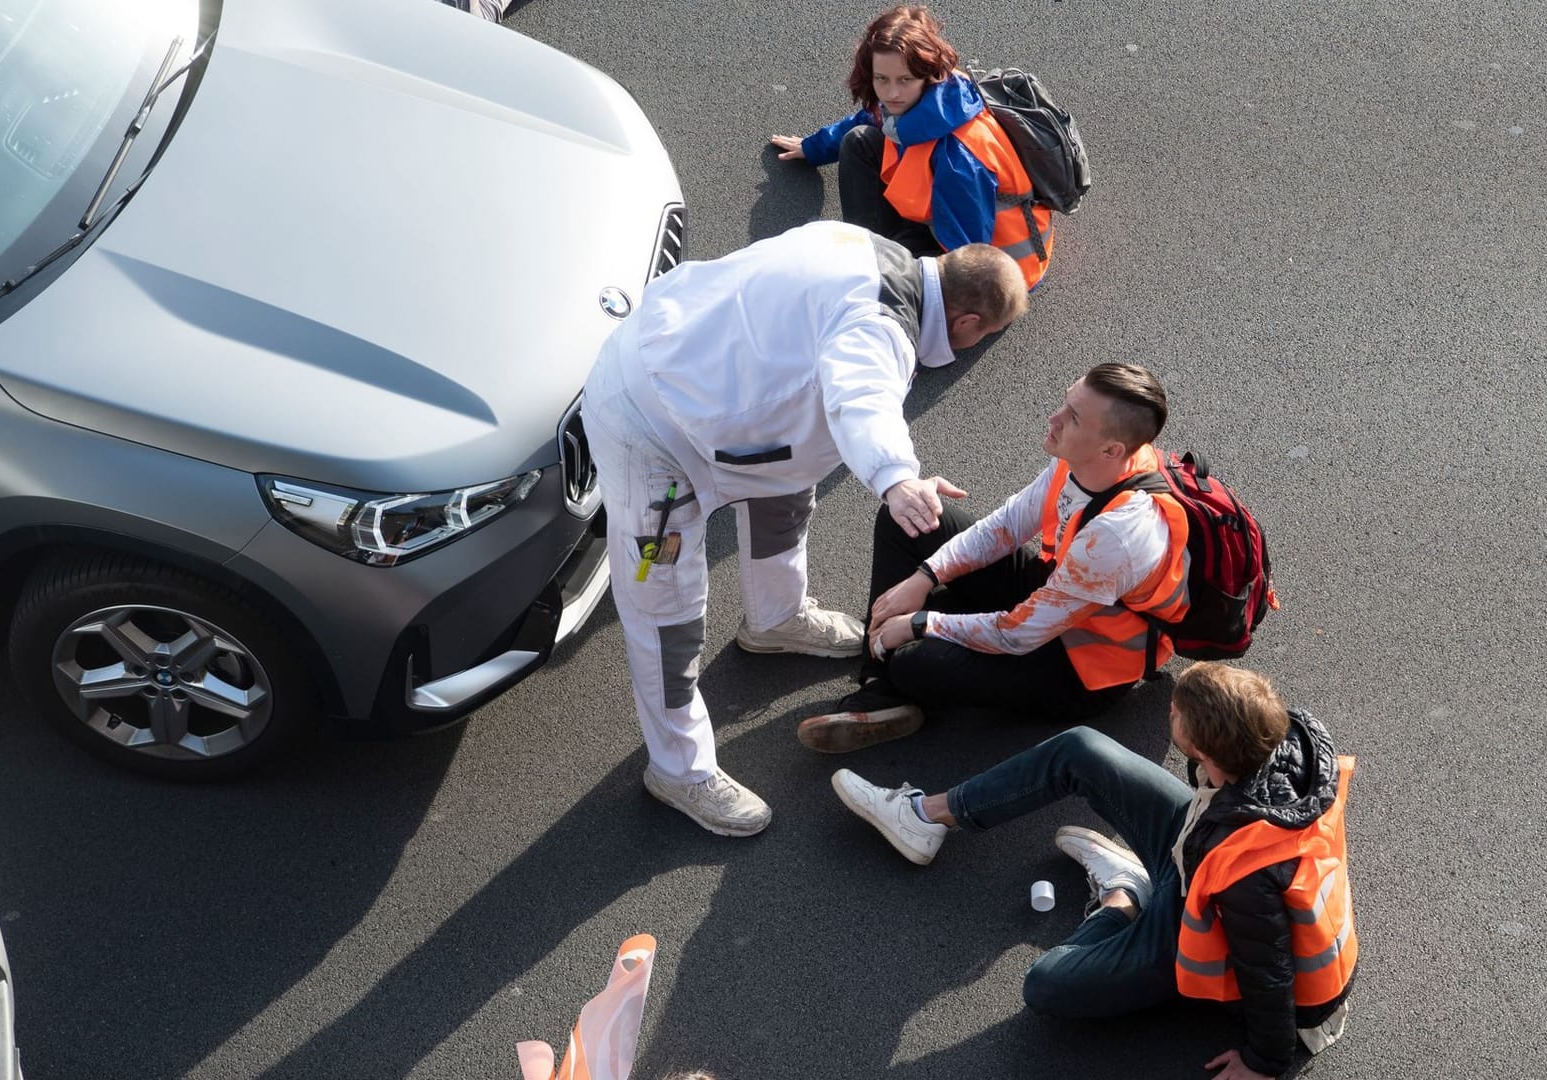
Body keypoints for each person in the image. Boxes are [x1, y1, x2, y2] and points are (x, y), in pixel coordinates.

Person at [582, 220, 1028, 836]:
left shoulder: (861, 243)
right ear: (970, 325)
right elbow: (861, 395)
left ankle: (775, 620)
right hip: (654, 435)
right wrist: (899, 478)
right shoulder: (883, 329)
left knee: (787, 500)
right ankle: (677, 771)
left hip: (691, 380)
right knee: (665, 615)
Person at [828, 662, 1358, 1080]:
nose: (1169, 707)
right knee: (1079, 748)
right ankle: (925, 816)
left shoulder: (1249, 872)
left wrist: (1265, 1062)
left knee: (1047, 986)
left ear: (1203, 748)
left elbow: (1268, 971)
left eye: (1177, 713)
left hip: (1199, 930)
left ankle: (1124, 896)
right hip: (1202, 855)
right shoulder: (1272, 746)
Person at [795, 362, 1188, 754]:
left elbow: (1018, 633)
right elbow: (1006, 527)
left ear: (1111, 449)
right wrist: (926, 576)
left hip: (1082, 663)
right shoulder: (1087, 459)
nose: (1053, 418)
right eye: (1064, 404)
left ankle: (894, 669)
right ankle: (880, 686)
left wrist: (921, 623)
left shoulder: (1118, 536)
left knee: (916, 660)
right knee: (911, 518)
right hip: (1054, 594)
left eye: (1072, 418)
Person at [769, 6, 1056, 290]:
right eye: (882, 79)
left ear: (927, 74)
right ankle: (868, 261)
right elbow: (874, 116)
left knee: (887, 281)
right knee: (858, 141)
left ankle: (871, 275)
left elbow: (970, 258)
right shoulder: (923, 97)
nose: (892, 92)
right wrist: (812, 148)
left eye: (904, 80)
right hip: (944, 221)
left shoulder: (958, 157)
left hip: (997, 269)